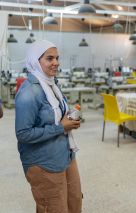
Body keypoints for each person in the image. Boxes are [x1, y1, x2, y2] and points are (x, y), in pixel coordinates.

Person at [15, 40, 82, 213]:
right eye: (49, 58)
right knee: (54, 208)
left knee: (74, 202)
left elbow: (55, 117)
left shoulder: (52, 84)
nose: (56, 63)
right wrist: (61, 127)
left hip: (65, 155)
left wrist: (68, 118)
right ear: (35, 61)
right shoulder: (29, 91)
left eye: (57, 58)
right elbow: (23, 134)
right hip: (44, 163)